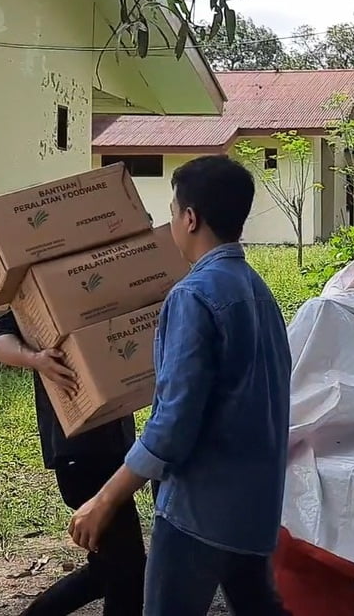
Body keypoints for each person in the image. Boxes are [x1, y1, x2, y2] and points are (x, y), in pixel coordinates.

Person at [67, 155, 293, 616]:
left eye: (172, 211)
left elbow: (172, 423)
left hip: (199, 510)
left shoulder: (193, 296)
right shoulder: (256, 290)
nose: (171, 221)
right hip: (256, 504)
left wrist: (105, 499)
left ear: (190, 218)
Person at [0, 312, 147, 615]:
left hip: (113, 451)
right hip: (81, 457)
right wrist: (36, 359)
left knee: (108, 570)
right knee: (128, 570)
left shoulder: (102, 302)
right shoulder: (46, 301)